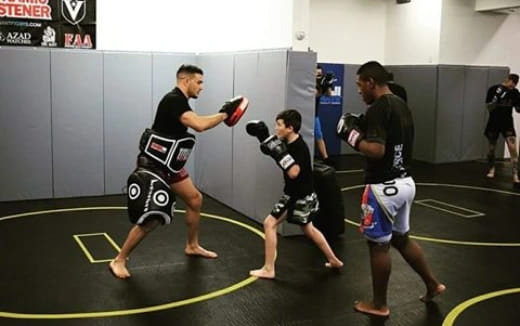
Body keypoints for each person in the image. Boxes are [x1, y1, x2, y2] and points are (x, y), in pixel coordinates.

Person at [110, 64, 248, 279]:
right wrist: (224, 115)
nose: (202, 87)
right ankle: (119, 259)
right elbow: (198, 125)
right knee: (152, 218)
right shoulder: (173, 99)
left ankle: (192, 245)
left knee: (194, 199)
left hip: (170, 165)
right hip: (154, 165)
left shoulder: (181, 101)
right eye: (199, 82)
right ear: (186, 80)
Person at [337, 61, 445, 317]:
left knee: (378, 246)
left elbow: (376, 150)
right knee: (401, 239)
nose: (359, 90)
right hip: (405, 182)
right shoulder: (400, 104)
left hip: (383, 187)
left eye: (360, 84)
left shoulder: (379, 107)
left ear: (371, 82)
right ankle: (433, 284)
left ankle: (379, 304)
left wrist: (351, 136)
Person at [245, 110, 343, 279]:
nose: (276, 128)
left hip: (296, 195)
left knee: (269, 224)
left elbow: (293, 172)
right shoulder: (291, 143)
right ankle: (334, 259)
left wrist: (277, 153)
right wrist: (267, 142)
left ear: (290, 128)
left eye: (279, 125)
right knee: (309, 228)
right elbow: (281, 155)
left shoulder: (298, 147)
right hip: (304, 192)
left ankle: (269, 269)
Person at [484, 73, 520, 185]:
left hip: (507, 123)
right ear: (508, 80)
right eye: (512, 84)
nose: (512, 87)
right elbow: (489, 107)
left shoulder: (514, 92)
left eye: (514, 85)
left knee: (513, 148)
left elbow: (518, 109)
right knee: (491, 148)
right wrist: (496, 98)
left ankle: (515, 175)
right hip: (494, 122)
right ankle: (491, 168)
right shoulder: (493, 89)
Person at [315, 66, 334, 166]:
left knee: (319, 136)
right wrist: (321, 87)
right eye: (317, 74)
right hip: (305, 114)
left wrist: (328, 84)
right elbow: (314, 95)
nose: (319, 76)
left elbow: (329, 95)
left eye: (320, 74)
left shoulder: (322, 81)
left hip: (314, 115)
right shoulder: (308, 82)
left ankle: (326, 158)